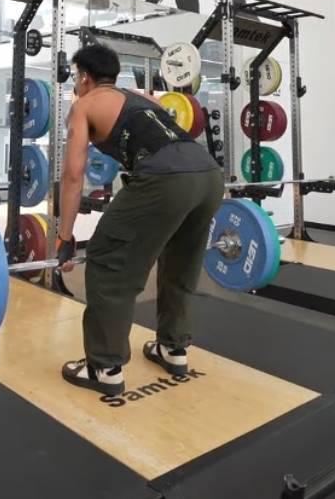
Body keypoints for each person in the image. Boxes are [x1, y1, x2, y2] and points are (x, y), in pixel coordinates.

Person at [55, 43, 223, 397]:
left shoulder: (83, 105)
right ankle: (173, 348)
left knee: (107, 259)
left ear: (84, 77)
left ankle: (104, 367)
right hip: (208, 175)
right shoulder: (145, 99)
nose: (75, 83)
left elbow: (72, 175)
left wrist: (65, 236)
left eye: (76, 76)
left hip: (166, 179)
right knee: (180, 262)